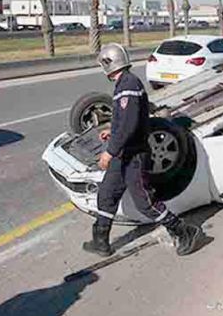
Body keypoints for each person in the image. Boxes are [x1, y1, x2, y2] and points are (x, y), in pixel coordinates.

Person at [82, 43, 203, 257]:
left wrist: (109, 152)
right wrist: (112, 129)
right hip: (123, 154)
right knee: (107, 194)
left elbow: (129, 125)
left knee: (144, 202)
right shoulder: (125, 84)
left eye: (103, 64)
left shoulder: (128, 84)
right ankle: (100, 240)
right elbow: (130, 118)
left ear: (108, 64)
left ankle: (184, 231)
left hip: (134, 155)